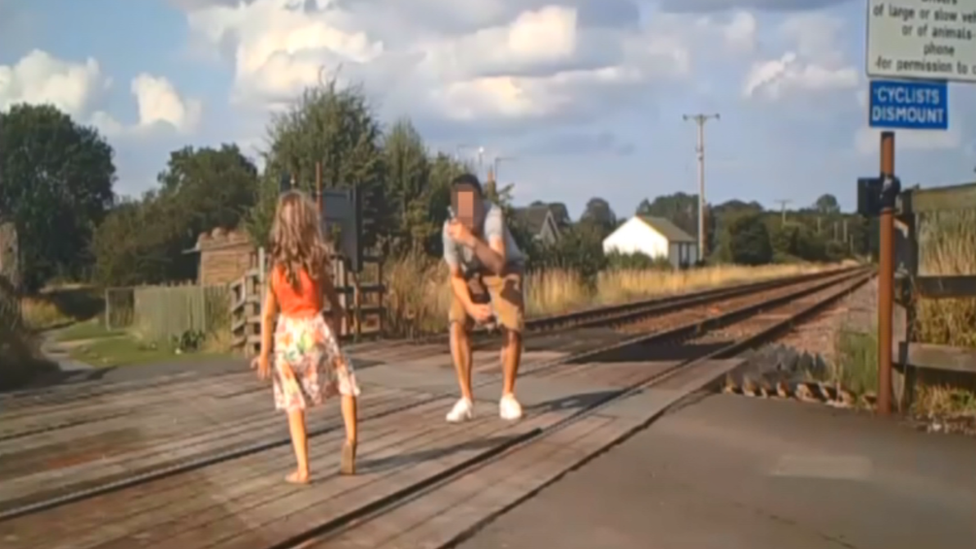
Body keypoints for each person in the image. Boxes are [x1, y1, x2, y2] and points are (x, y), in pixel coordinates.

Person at [253, 190, 361, 483]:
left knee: (294, 403)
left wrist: (264, 354)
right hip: (315, 330)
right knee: (346, 380)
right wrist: (337, 327)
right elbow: (335, 304)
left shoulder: (277, 271)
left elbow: (266, 316)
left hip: (288, 338)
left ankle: (303, 468)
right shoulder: (316, 264)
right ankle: (351, 440)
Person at [443, 173, 526, 423]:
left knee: (511, 319)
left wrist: (470, 239)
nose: (466, 210)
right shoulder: (449, 230)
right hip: (471, 273)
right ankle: (466, 398)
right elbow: (455, 275)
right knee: (456, 320)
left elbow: (499, 263)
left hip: (504, 267)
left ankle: (507, 395)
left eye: (471, 202)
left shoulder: (493, 216)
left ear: (480, 201)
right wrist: (470, 307)